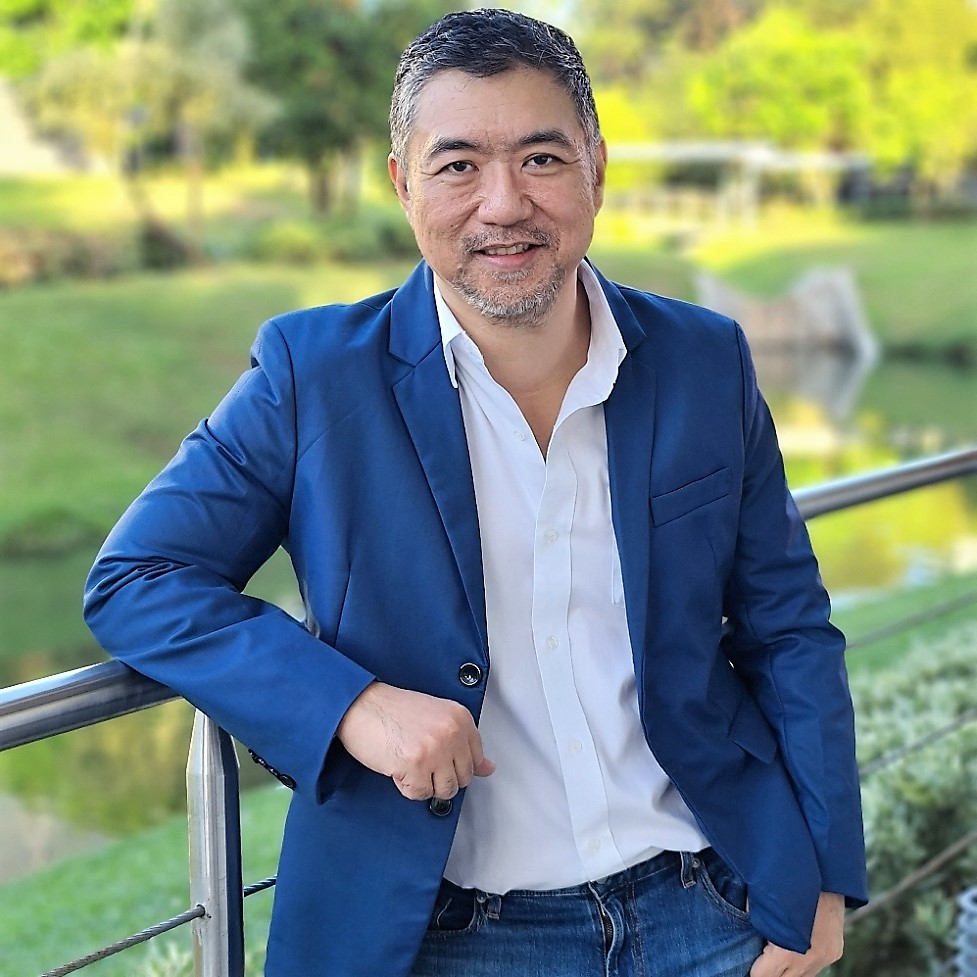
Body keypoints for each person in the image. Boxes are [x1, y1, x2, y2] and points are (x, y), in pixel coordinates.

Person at [84, 9, 867, 977]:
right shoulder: (312, 374)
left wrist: (824, 877)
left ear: (595, 168)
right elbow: (137, 578)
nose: (502, 204)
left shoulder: (704, 358)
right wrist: (353, 705)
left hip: (712, 904)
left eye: (540, 158)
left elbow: (788, 629)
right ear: (401, 184)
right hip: (445, 937)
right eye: (457, 165)